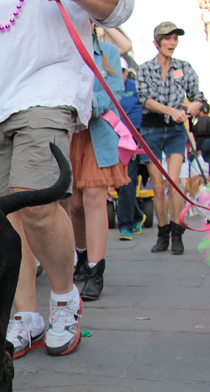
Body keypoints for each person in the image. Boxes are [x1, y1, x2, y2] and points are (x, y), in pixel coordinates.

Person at [0, 0, 134, 359]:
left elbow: (117, 10)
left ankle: (64, 298)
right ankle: (26, 315)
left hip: (48, 90)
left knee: (37, 202)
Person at [137, 21, 206, 255]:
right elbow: (145, 100)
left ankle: (178, 232)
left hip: (176, 131)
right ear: (156, 43)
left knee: (174, 182)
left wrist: (195, 106)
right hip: (151, 130)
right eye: (167, 38)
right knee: (157, 185)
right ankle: (162, 233)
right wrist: (171, 110)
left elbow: (198, 97)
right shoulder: (145, 68)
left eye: (175, 38)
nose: (172, 43)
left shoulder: (184, 67)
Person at [69, 30, 128, 301]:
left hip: (96, 131)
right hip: (67, 131)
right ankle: (81, 257)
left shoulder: (108, 52)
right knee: (75, 204)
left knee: (93, 197)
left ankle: (95, 270)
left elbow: (114, 91)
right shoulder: (60, 46)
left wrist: (83, 105)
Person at [115, 58, 146, 240]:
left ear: (127, 72)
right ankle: (136, 215)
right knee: (118, 182)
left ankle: (125, 225)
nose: (119, 75)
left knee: (127, 180)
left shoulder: (136, 87)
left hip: (132, 141)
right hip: (112, 139)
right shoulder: (107, 86)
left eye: (122, 71)